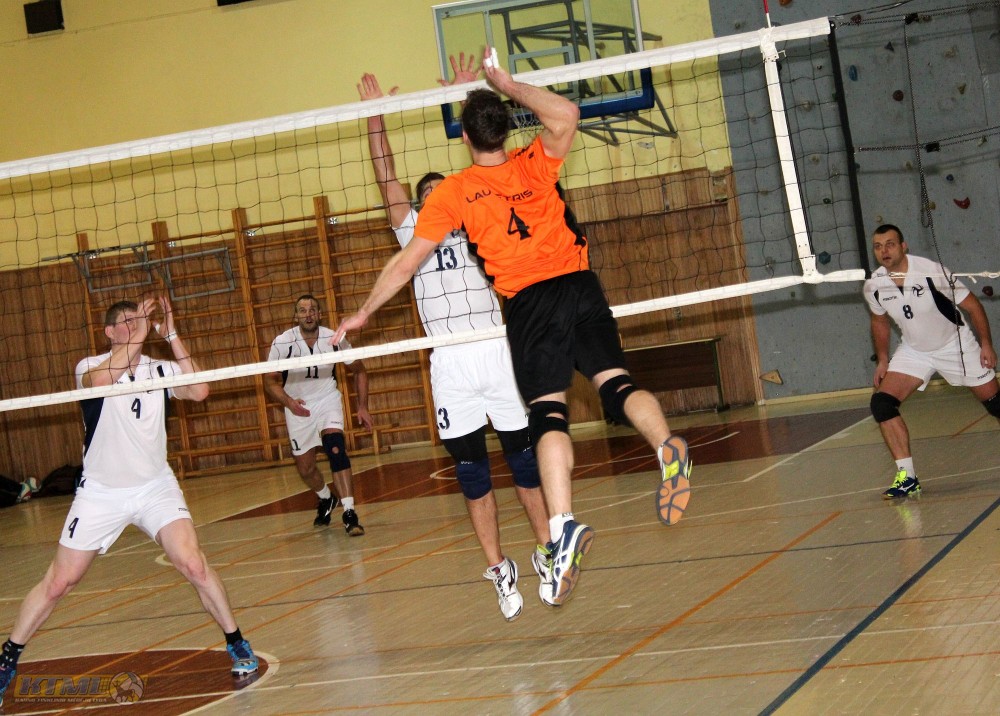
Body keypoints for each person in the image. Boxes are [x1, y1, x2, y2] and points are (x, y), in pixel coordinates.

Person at [336, 48, 692, 607]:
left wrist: (362, 312)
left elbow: (408, 257)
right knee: (603, 389)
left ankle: (557, 535)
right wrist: (484, 89)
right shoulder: (466, 198)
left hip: (516, 323)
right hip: (510, 326)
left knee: (540, 431)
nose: (427, 193)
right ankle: (663, 447)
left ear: (460, 146)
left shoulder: (458, 198)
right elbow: (399, 179)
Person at [358, 57, 552, 621]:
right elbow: (386, 176)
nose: (435, 196)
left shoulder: (475, 215)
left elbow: (488, 151)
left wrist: (472, 97)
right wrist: (375, 119)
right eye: (427, 193)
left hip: (495, 347)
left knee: (523, 464)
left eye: (443, 190)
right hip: (449, 365)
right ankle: (499, 568)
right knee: (472, 476)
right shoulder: (412, 231)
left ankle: (548, 551)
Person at [0, 297, 257, 708]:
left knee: (193, 563)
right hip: (101, 492)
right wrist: (140, 333)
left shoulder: (160, 369)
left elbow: (200, 390)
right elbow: (102, 381)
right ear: (109, 332)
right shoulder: (90, 367)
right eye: (127, 321)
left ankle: (237, 642)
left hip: (155, 487)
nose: (137, 324)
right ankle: (7, 661)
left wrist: (171, 334)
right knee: (59, 582)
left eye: (140, 319)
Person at [864, 224, 999, 498]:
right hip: (914, 350)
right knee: (882, 404)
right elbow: (879, 321)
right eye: (878, 246)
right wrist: (883, 359)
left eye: (890, 244)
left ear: (904, 247)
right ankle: (907, 478)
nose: (884, 251)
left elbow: (973, 306)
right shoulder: (874, 285)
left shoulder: (933, 272)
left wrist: (986, 344)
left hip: (955, 345)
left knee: (996, 405)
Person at [264, 294, 373, 535]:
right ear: (296, 316)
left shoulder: (333, 337)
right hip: (297, 406)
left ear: (320, 314)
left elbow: (359, 370)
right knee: (306, 469)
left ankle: (349, 512)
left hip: (327, 400)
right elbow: (269, 381)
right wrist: (289, 402)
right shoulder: (283, 342)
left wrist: (362, 406)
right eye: (303, 310)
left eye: (312, 309)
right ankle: (326, 498)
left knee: (336, 449)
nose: (308, 314)